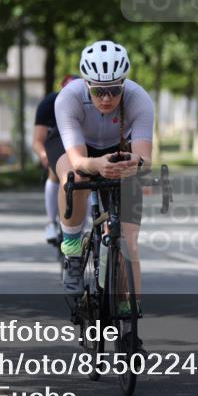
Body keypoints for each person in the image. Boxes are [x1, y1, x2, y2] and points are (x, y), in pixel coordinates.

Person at [44, 40, 154, 354]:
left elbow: (144, 157)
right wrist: (96, 166)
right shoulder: (68, 98)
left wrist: (137, 165)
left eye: (114, 90)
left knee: (129, 242)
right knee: (74, 177)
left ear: (124, 85)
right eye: (98, 91)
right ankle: (73, 251)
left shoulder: (139, 99)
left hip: (119, 150)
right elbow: (79, 160)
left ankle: (130, 325)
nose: (106, 98)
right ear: (87, 85)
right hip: (80, 151)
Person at [32, 75, 81, 245]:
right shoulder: (48, 104)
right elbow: (38, 140)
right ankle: (52, 222)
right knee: (54, 173)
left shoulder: (88, 105)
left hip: (77, 146)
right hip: (55, 145)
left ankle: (85, 221)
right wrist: (43, 155)